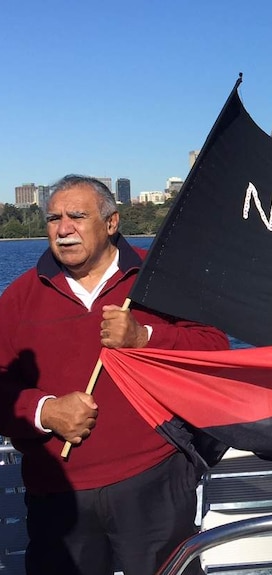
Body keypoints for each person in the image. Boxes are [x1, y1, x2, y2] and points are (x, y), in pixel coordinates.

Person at [0, 175, 230, 575]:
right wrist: (44, 411)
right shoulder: (19, 297)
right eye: (54, 218)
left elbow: (214, 349)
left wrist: (145, 336)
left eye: (77, 215)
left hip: (155, 479)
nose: (63, 228)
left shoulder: (156, 277)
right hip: (58, 494)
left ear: (111, 223)